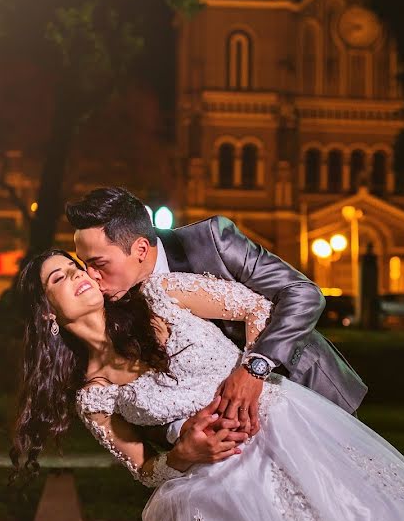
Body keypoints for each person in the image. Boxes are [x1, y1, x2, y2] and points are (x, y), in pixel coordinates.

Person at [12, 250, 404, 521]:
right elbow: (144, 469)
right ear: (50, 316)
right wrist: (183, 455)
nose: (78, 275)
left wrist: (252, 374)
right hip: (214, 478)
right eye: (59, 278)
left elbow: (257, 307)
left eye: (74, 266)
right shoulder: (93, 394)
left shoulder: (158, 296)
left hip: (285, 430)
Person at [66, 187, 366, 445]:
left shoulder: (212, 241)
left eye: (99, 263)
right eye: (85, 264)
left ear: (141, 248)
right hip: (235, 441)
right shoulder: (115, 300)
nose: (91, 275)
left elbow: (303, 294)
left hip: (304, 389)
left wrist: (254, 369)